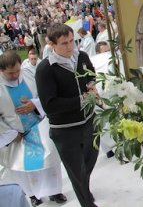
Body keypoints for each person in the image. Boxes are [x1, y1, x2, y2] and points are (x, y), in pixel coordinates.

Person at [35, 23, 100, 207]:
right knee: (76, 173)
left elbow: (91, 75)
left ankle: (84, 190)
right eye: (64, 43)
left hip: (89, 122)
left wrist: (91, 85)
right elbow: (50, 105)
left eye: (72, 41)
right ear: (52, 45)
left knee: (89, 162)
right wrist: (81, 99)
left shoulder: (83, 56)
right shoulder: (45, 69)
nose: (70, 46)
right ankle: (87, 202)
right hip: (65, 130)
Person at [0, 51, 66, 206]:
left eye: (17, 70)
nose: (16, 75)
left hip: (38, 127)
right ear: (1, 71)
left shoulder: (30, 76)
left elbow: (45, 96)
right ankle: (32, 195)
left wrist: (34, 105)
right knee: (21, 167)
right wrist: (10, 134)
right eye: (11, 73)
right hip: (15, 135)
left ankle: (54, 191)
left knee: (50, 158)